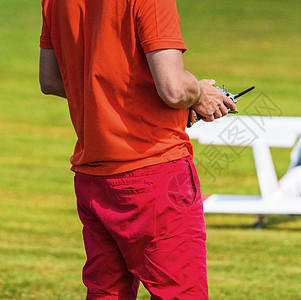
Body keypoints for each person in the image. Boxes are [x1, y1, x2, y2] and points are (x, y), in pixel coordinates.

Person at [39, 0, 236, 299]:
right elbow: (174, 89)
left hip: (94, 176)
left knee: (106, 293)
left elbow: (51, 79)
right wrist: (200, 92)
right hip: (154, 170)